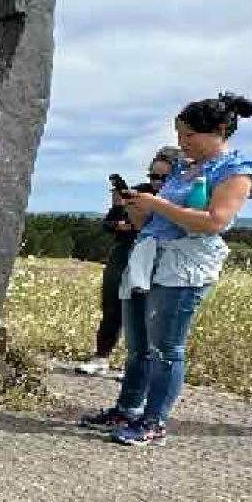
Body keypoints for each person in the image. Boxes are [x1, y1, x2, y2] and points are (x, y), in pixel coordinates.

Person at [78, 93, 252, 446]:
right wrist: (134, 206)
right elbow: (150, 221)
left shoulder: (236, 170)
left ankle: (154, 421)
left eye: (190, 135)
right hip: (148, 254)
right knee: (139, 345)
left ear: (220, 130)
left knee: (166, 346)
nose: (182, 143)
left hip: (185, 263)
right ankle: (127, 407)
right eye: (179, 135)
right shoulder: (181, 167)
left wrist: (158, 203)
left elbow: (215, 221)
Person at [76, 148, 180, 376]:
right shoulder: (138, 193)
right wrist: (122, 221)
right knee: (112, 306)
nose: (157, 182)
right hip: (125, 253)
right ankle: (101, 357)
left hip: (157, 257)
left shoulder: (178, 198)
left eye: (165, 177)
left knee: (147, 312)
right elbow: (107, 223)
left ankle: (138, 365)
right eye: (153, 176)